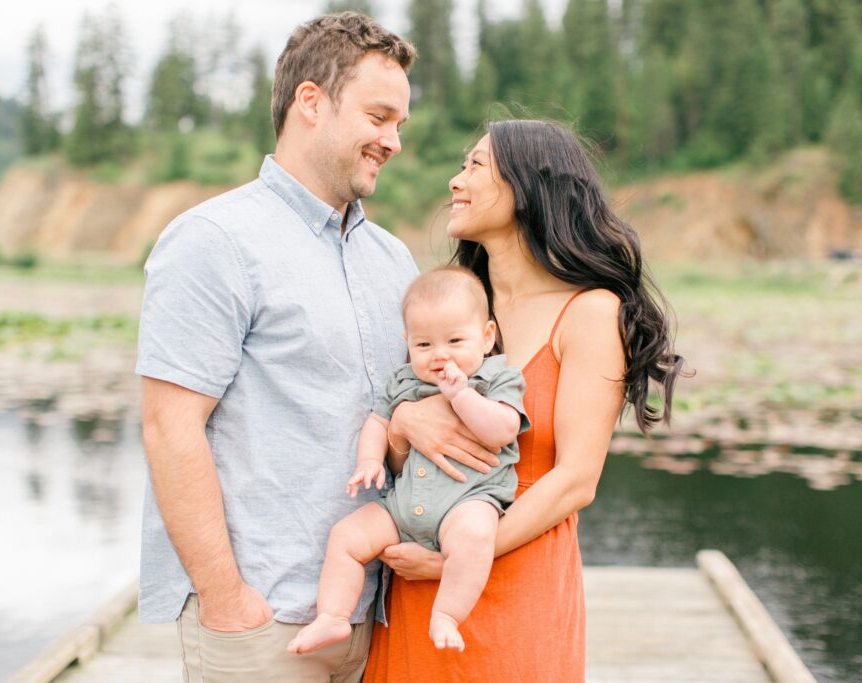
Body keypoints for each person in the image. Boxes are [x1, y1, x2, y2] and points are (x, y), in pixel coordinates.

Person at [134, 13, 494, 682]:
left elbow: (385, 411)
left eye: (399, 125)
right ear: (310, 102)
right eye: (379, 117)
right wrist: (228, 600)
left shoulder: (391, 259)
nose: (392, 141)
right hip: (261, 615)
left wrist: (407, 420)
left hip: (372, 611)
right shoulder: (214, 240)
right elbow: (168, 427)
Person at [363, 120, 685, 682]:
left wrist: (450, 564)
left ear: (527, 187)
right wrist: (406, 423)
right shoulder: (455, 308)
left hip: (512, 583)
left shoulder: (589, 311)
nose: (455, 180)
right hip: (416, 578)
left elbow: (576, 481)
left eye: (475, 166)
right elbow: (400, 453)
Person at [287, 267, 529, 656]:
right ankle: (332, 615)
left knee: (475, 538)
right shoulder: (402, 380)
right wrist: (369, 460)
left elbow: (502, 430)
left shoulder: (497, 377)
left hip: (466, 502)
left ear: (487, 337)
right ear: (407, 343)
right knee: (347, 537)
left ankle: (447, 614)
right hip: (402, 506)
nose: (440, 355)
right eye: (424, 345)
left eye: (454, 340)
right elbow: (378, 421)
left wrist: (462, 396)